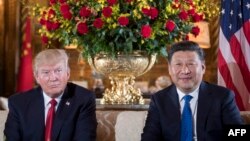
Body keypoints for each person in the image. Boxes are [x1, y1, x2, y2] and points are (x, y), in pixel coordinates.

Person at [141, 41, 243, 141]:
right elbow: (149, 137)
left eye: (191, 64)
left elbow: (238, 133)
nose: (185, 71)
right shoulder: (159, 100)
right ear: (169, 69)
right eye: (178, 64)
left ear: (202, 68)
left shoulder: (223, 97)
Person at [4, 49, 97, 141]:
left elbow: (85, 138)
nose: (53, 78)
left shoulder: (83, 99)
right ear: (37, 77)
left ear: (68, 73)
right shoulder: (18, 103)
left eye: (58, 71)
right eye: (46, 72)